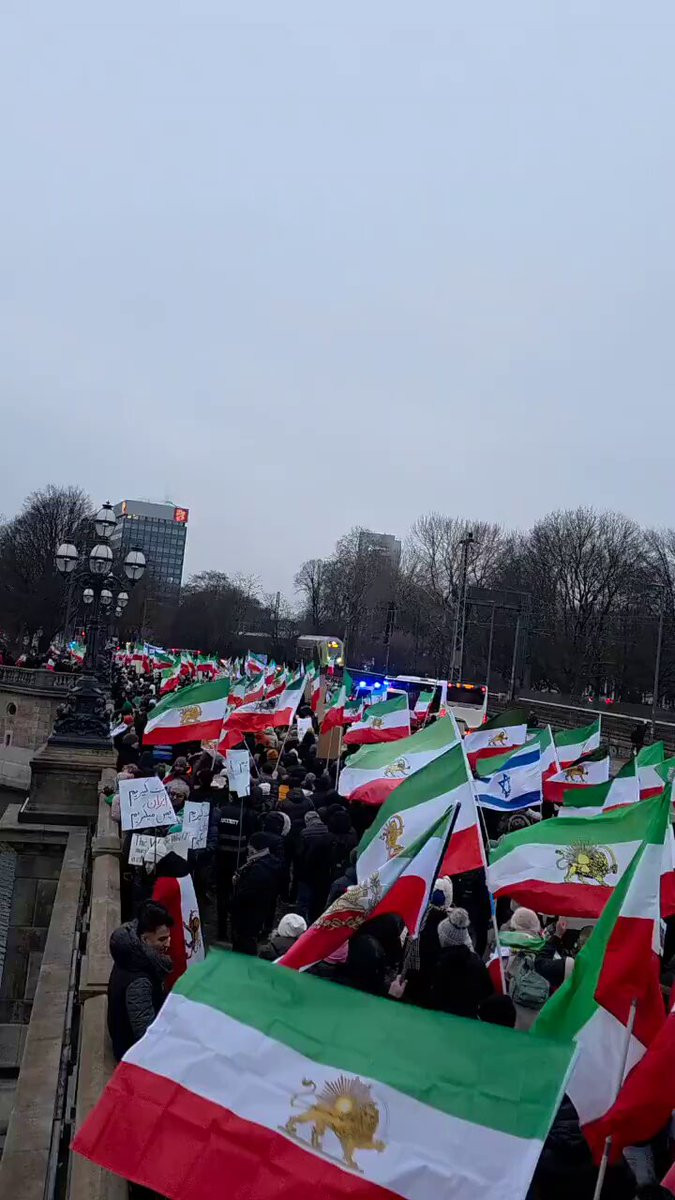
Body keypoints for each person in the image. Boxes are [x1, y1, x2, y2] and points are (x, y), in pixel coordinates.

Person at [107, 902, 173, 1062]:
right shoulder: (139, 981)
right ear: (145, 939)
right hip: (132, 1054)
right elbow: (145, 1035)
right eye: (162, 939)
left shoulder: (130, 956)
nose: (168, 943)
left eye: (169, 937)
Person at [428, 908, 494, 1018]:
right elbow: (487, 991)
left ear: (444, 938)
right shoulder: (477, 962)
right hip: (468, 1018)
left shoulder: (439, 963)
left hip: (440, 1018)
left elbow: (433, 995)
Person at [212, 790, 258, 941]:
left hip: (221, 859)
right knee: (236, 895)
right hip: (239, 861)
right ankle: (234, 930)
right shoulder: (248, 814)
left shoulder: (221, 810)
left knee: (222, 895)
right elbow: (252, 836)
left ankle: (221, 931)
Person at [230, 832, 284, 955]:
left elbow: (247, 892)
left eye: (250, 846)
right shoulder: (268, 864)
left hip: (248, 913)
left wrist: (238, 885)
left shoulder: (259, 868)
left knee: (244, 941)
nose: (248, 849)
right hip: (258, 911)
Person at [294, 811, 338, 922]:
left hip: (307, 870)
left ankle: (300, 920)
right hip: (323, 870)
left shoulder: (305, 833)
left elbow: (300, 853)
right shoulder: (328, 830)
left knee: (304, 899)